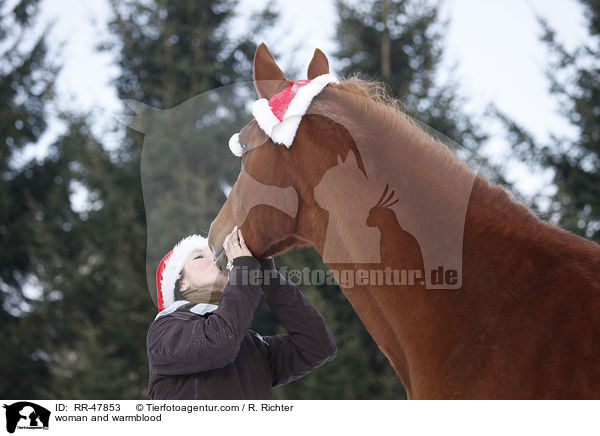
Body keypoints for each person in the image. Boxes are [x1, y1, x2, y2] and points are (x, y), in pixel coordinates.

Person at [146, 225, 338, 400]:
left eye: (215, 252)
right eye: (199, 256)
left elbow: (317, 346)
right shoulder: (164, 330)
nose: (216, 257)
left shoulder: (250, 344)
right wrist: (245, 270)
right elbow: (218, 342)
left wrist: (269, 279)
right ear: (181, 283)